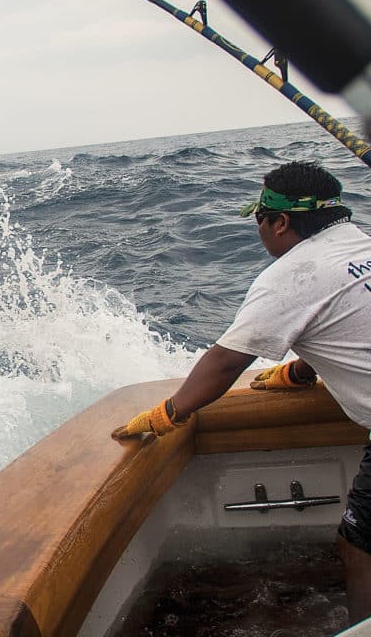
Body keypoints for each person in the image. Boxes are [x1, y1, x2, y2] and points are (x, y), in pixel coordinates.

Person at [111, 160, 371, 624]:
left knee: (362, 547)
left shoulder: (291, 276)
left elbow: (228, 361)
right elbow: (349, 322)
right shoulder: (360, 244)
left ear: (281, 222)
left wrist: (168, 413)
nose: (260, 232)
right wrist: (300, 372)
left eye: (259, 220)